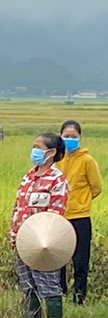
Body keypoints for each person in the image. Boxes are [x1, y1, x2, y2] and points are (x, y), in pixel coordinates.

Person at [10, 133, 69, 318]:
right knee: (28, 286)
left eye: (38, 147)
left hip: (44, 243)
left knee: (48, 285)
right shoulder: (29, 176)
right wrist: (14, 234)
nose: (33, 150)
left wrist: (41, 238)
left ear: (51, 152)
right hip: (23, 241)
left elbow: (55, 214)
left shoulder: (57, 180)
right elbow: (18, 208)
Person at [56, 120, 101, 305]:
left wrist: (81, 202)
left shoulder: (87, 160)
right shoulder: (56, 158)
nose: (69, 139)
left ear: (80, 138)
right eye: (66, 136)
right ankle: (59, 292)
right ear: (60, 136)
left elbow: (96, 187)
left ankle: (79, 297)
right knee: (57, 258)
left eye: (74, 136)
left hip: (80, 216)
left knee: (80, 259)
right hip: (58, 216)